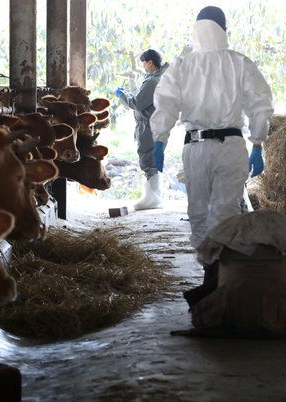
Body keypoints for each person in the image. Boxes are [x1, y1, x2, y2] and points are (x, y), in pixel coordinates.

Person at [149, 6, 274, 306]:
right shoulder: (239, 63)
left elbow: (165, 104)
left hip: (195, 147)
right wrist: (257, 144)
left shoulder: (182, 65)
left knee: (199, 215)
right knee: (226, 214)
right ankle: (219, 281)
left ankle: (214, 280)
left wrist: (159, 140)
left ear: (196, 29)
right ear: (224, 30)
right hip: (230, 146)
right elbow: (260, 104)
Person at [114, 49, 169, 210]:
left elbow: (137, 104)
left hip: (149, 125)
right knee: (152, 159)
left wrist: (122, 95)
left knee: (147, 159)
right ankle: (153, 196)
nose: (143, 67)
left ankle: (153, 198)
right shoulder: (159, 77)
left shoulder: (153, 81)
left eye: (144, 63)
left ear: (150, 62)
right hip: (155, 124)